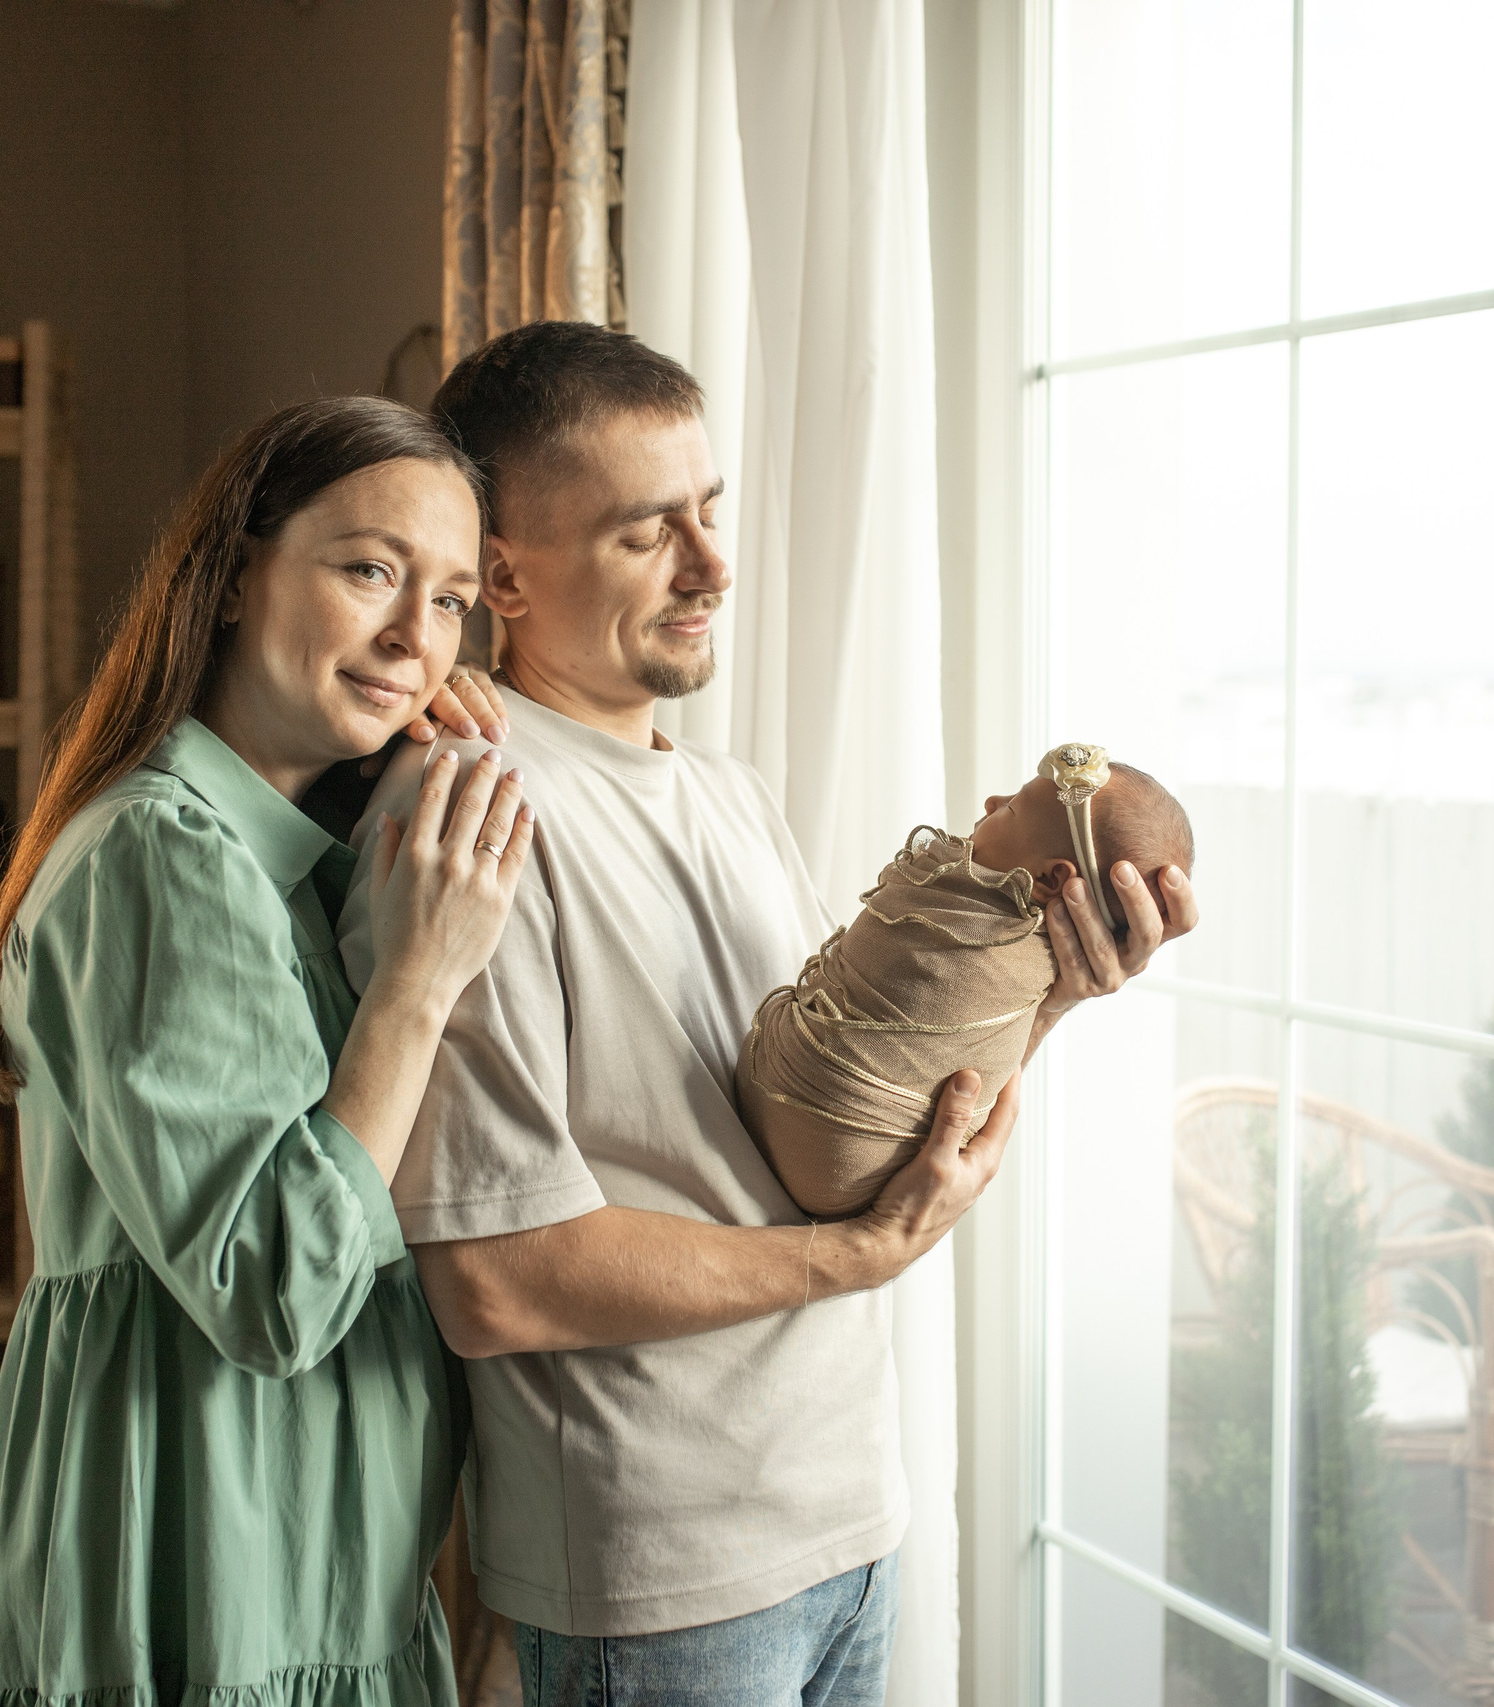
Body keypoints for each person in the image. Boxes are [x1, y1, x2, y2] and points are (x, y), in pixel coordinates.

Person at [338, 320, 1197, 1706]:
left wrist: (1043, 989)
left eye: (711, 511)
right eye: (644, 532)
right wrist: (855, 1258)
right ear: (504, 573)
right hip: (659, 1578)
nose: (713, 565)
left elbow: (828, 1119)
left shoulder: (729, 794)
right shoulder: (467, 810)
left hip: (850, 1524)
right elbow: (494, 1279)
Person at [0, 397, 534, 1707]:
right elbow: (274, 1285)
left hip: (317, 1568)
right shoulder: (163, 852)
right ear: (230, 574)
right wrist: (419, 983)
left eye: (448, 602)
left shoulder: (293, 858)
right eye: (370, 569)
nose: (411, 639)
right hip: (204, 1570)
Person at [740, 746, 1197, 1218]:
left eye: (1013, 807)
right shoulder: (1021, 952)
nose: (992, 803)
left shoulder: (979, 927)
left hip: (817, 1128)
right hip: (833, 1171)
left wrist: (1055, 1003)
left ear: (1050, 878)